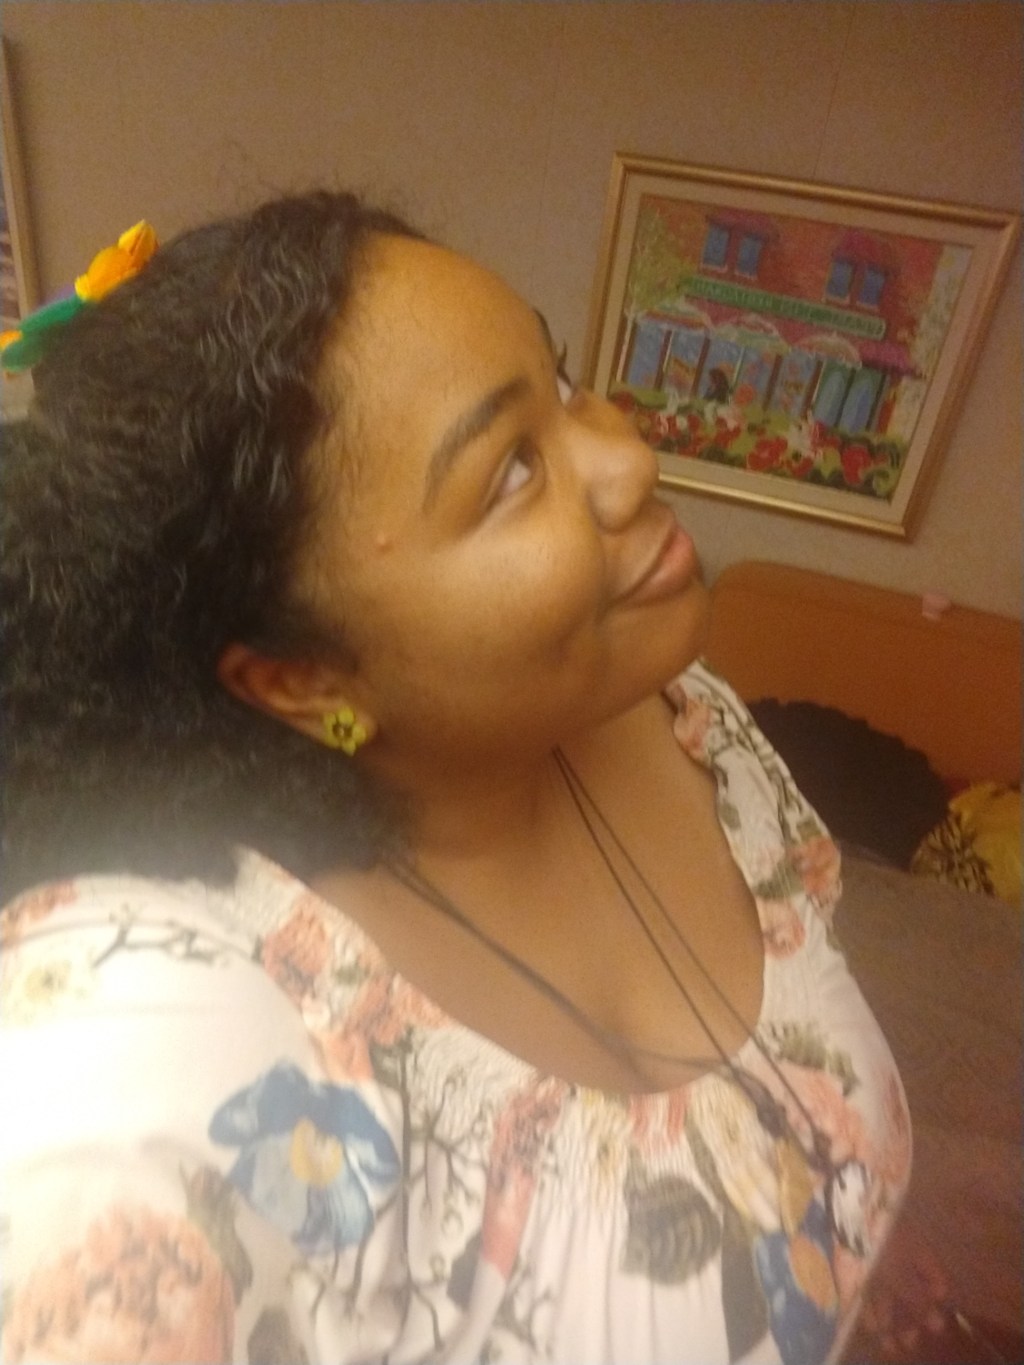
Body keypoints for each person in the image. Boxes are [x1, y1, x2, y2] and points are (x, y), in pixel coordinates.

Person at [1, 191, 913, 1365]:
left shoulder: (682, 719)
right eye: (509, 471)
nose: (631, 457)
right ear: (300, 679)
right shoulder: (163, 1026)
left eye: (562, 381)